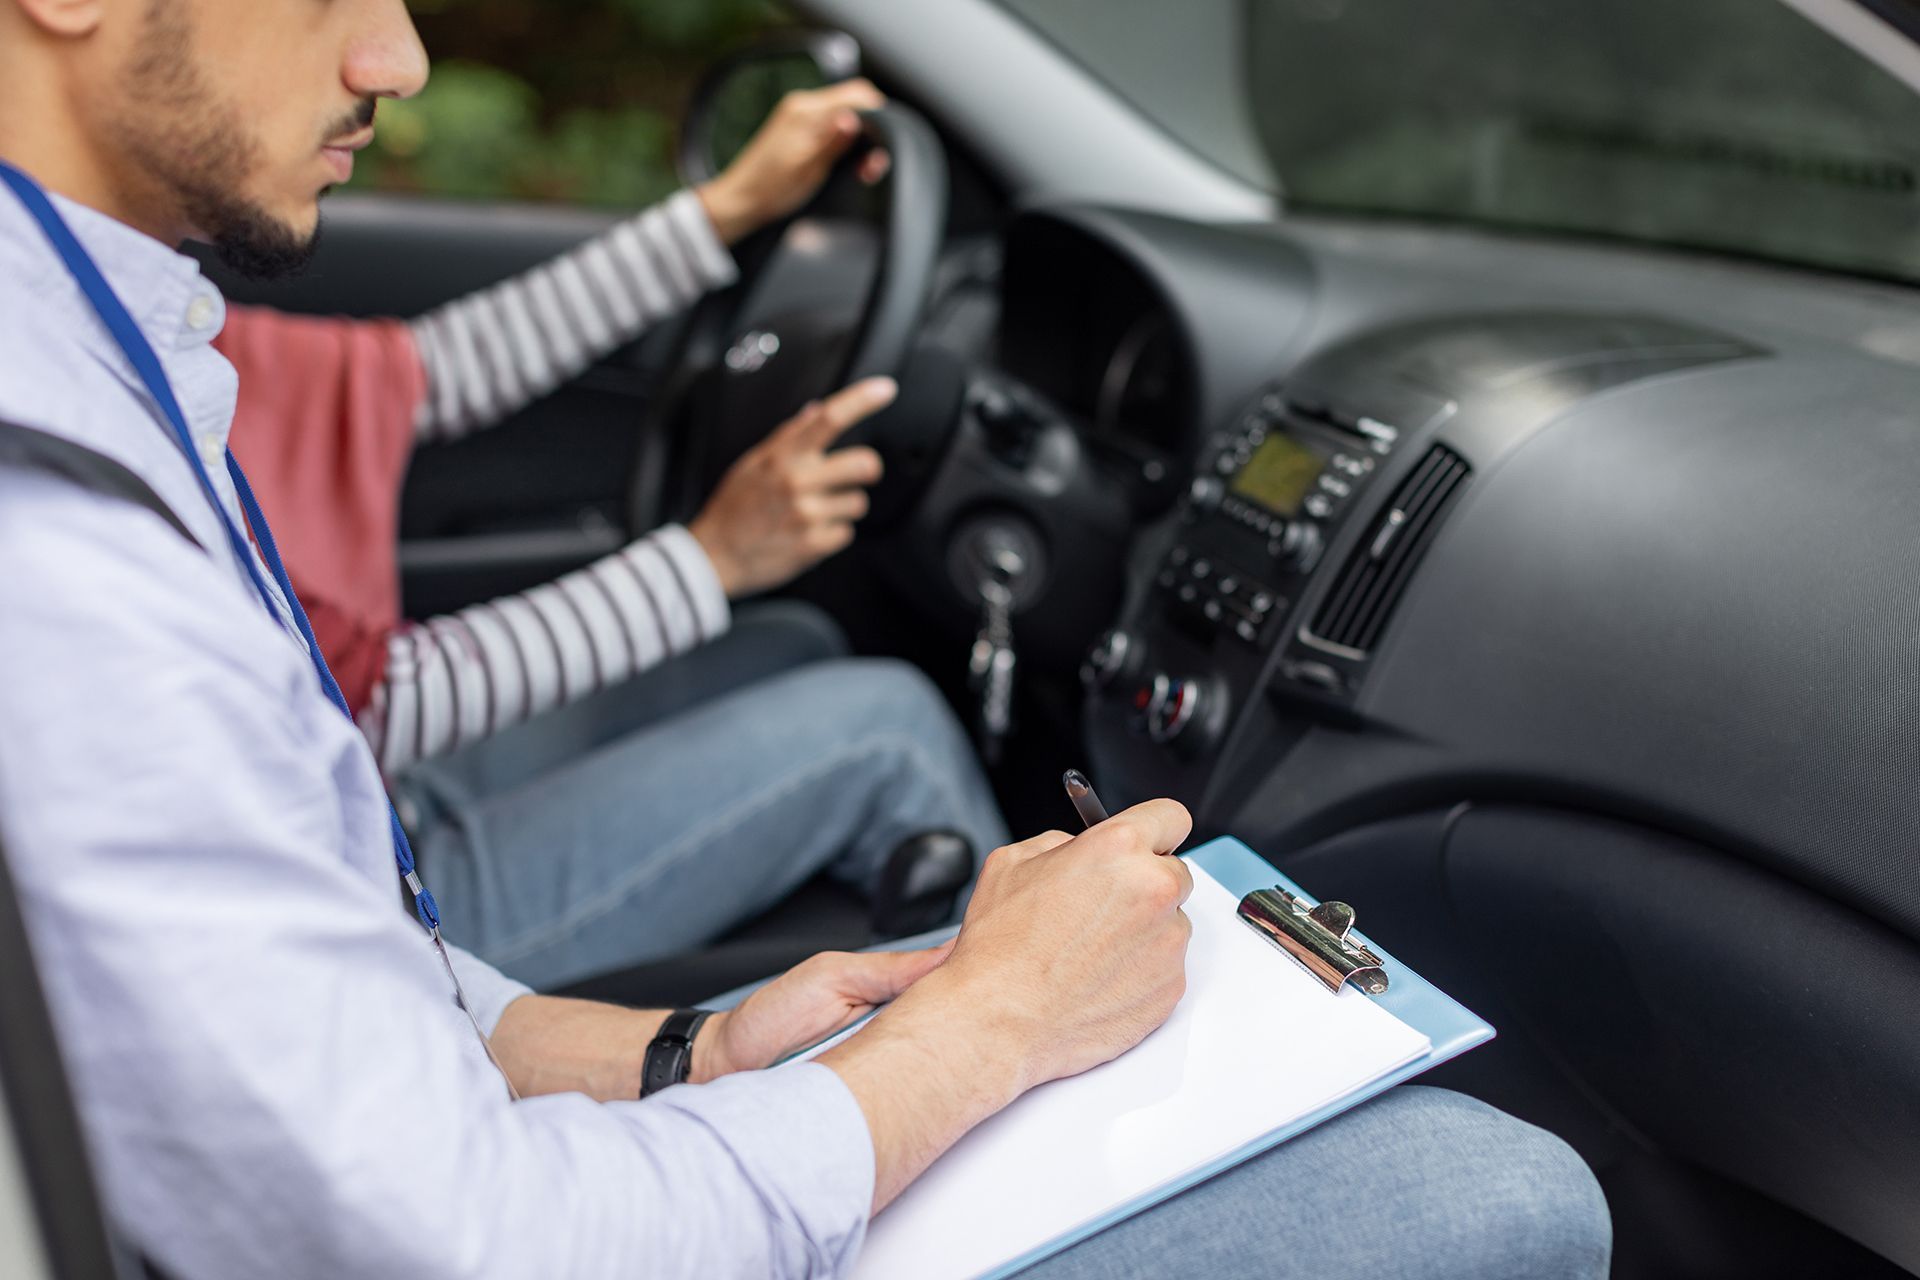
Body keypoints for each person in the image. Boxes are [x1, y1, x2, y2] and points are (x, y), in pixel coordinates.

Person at [0, 0, 1612, 1277]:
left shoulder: (113, 350)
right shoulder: (65, 568)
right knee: (1510, 1194)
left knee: (810, 678)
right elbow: (461, 1236)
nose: (399, 56)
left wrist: (689, 1052)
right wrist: (990, 1028)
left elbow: (344, 950)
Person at [214, 81, 1005, 989]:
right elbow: (383, 698)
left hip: (363, 789)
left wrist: (729, 208)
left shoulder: (169, 336)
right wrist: (710, 559)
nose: (399, 63)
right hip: (352, 909)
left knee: (796, 642)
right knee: (890, 729)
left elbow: (438, 369)